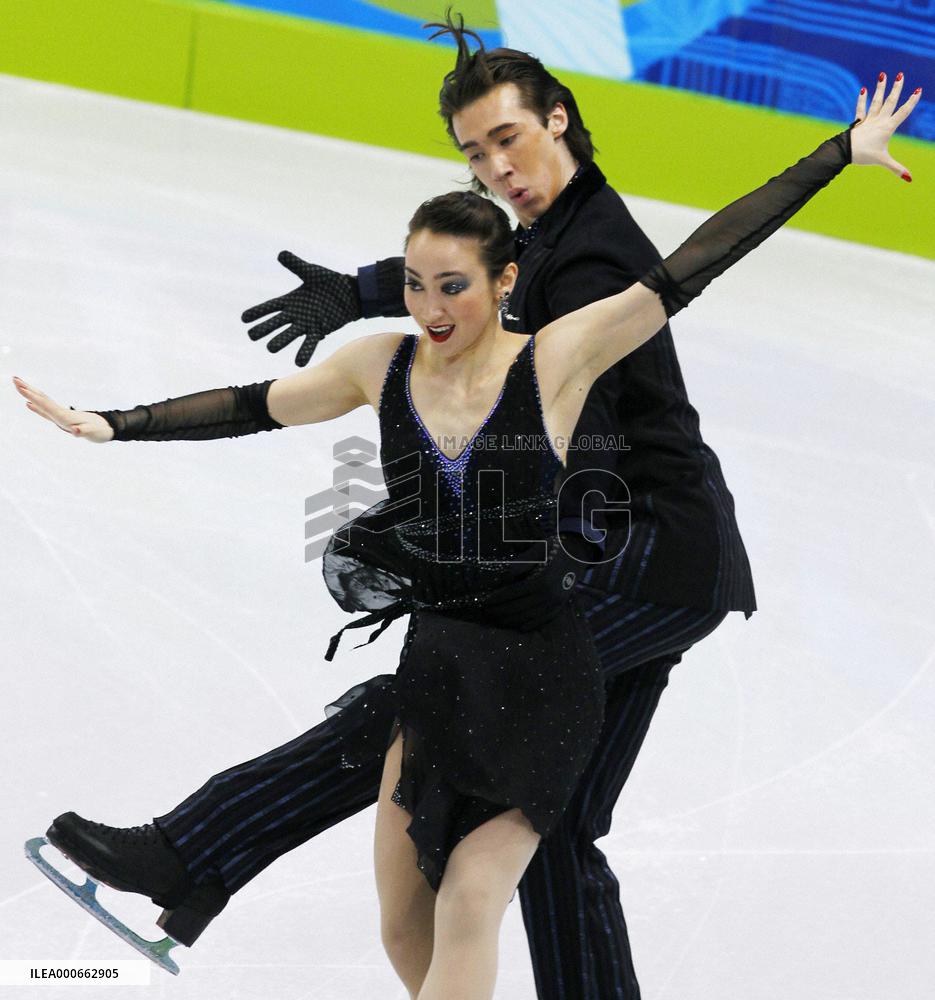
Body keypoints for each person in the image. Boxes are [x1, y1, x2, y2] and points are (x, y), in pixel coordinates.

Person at [16, 74, 919, 997]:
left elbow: (568, 401)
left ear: (556, 121)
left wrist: (834, 156)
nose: (496, 168)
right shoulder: (544, 236)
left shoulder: (593, 267)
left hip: (644, 559)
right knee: (553, 826)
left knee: (422, 710)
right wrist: (373, 294)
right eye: (473, 152)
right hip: (634, 555)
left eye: (507, 140)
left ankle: (191, 851)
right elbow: (471, 280)